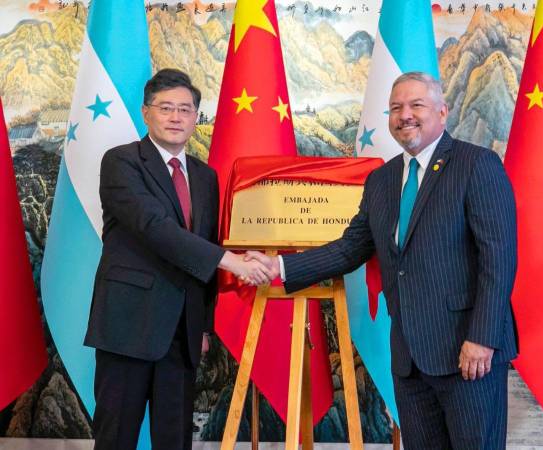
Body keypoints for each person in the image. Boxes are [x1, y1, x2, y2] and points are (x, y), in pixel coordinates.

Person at [246, 72, 518, 449]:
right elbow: (349, 249)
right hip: (410, 360)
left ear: (443, 111)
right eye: (395, 108)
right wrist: (279, 268)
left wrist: (482, 339)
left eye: (416, 105)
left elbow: (498, 260)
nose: (405, 115)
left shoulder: (477, 165)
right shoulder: (382, 181)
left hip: (468, 355)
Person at [84, 68, 272, 450]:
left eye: (185, 109)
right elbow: (156, 228)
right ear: (145, 112)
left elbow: (203, 242)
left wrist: (202, 326)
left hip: (182, 333)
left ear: (196, 118)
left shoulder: (205, 176)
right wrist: (232, 262)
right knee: (116, 436)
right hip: (128, 326)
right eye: (165, 107)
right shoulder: (121, 162)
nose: (175, 117)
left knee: (175, 440)